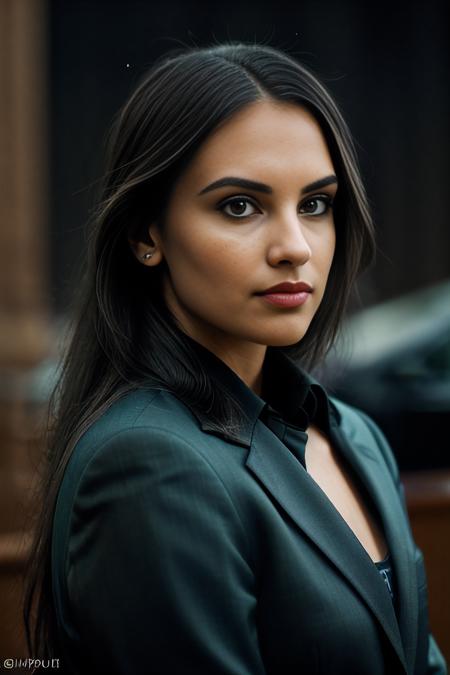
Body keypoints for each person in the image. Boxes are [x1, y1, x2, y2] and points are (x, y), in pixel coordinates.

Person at [24, 42, 447, 674]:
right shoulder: (149, 464)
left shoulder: (352, 436)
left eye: (315, 204)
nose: (294, 247)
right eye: (240, 206)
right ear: (147, 234)